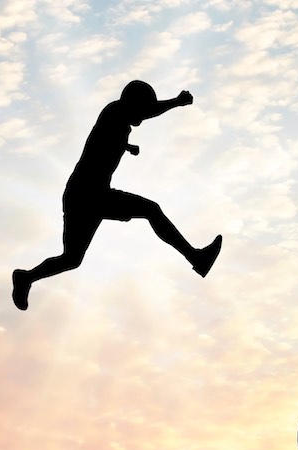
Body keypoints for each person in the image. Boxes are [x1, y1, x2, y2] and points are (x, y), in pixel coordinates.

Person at [12, 80, 222, 310]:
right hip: (91, 194)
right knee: (151, 210)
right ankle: (196, 258)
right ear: (134, 103)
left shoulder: (117, 121)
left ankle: (26, 277)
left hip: (79, 196)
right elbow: (145, 112)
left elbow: (102, 143)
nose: (142, 118)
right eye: (143, 108)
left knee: (72, 259)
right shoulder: (115, 111)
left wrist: (126, 146)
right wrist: (176, 102)